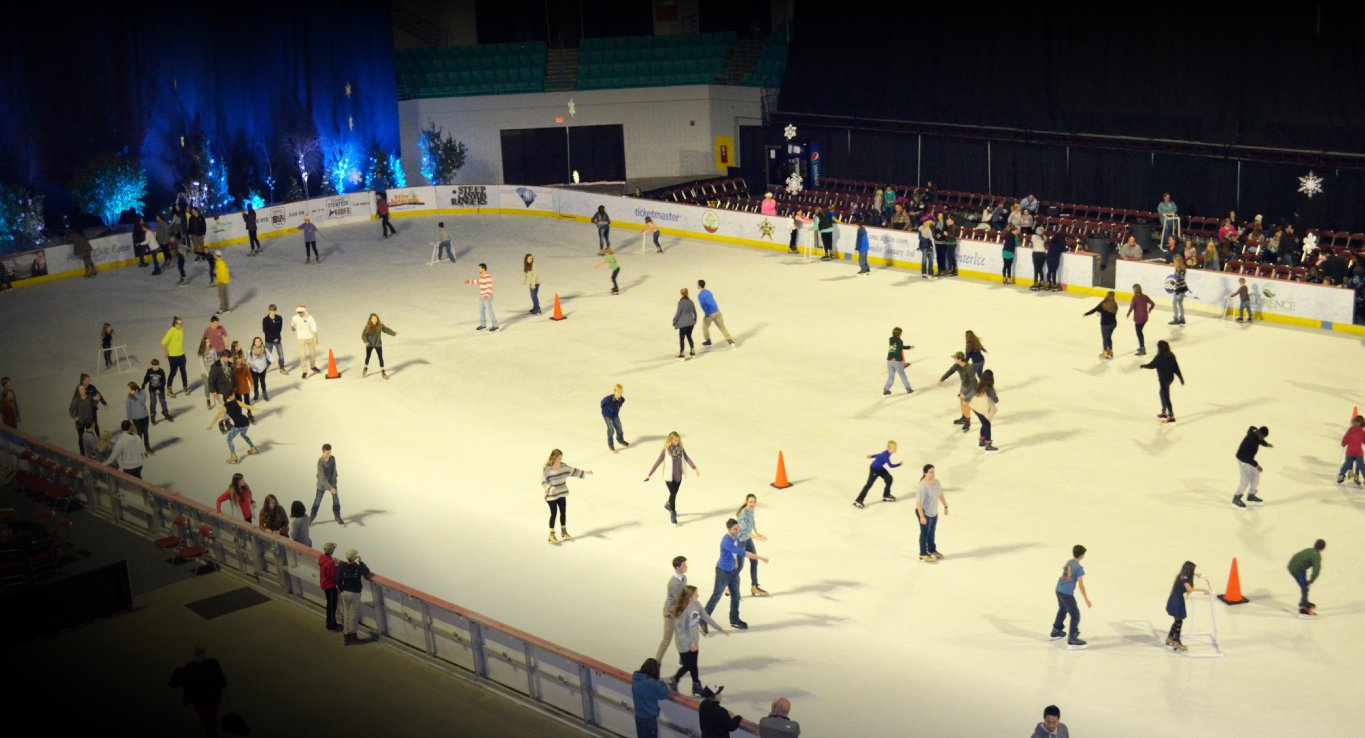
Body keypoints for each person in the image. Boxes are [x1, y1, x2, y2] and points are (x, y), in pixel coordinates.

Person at [703, 518, 768, 629]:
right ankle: (703, 620)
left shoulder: (735, 537)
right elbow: (743, 552)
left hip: (733, 573)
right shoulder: (726, 541)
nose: (737, 531)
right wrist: (760, 558)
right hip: (722, 572)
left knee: (736, 596)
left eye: (738, 528)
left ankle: (734, 619)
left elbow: (738, 547)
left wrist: (736, 562)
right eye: (735, 529)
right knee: (716, 596)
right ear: (728, 529)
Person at [669, 586, 727, 696]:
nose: (698, 595)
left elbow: (706, 617)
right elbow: (679, 632)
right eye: (696, 594)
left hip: (694, 641)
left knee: (692, 665)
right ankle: (684, 682)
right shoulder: (682, 611)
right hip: (684, 644)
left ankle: (691, 685)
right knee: (689, 666)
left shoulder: (696, 605)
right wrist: (689, 643)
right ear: (690, 597)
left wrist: (719, 628)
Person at [168, 645, 227, 738]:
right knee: (211, 719)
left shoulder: (191, 666)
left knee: (208, 720)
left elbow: (174, 683)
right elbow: (223, 682)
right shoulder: (211, 663)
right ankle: (212, 732)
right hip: (212, 698)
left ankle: (211, 732)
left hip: (202, 700)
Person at [646, 432, 698, 525]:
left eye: (678, 440)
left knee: (673, 494)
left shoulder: (681, 450)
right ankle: (673, 512)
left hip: (678, 477)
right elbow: (657, 462)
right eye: (675, 440)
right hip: (668, 477)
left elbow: (687, 458)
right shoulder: (665, 451)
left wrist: (694, 468)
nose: (676, 442)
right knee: (673, 494)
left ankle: (668, 505)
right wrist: (649, 474)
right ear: (670, 440)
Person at [542, 449, 591, 544]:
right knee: (554, 513)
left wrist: (584, 472)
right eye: (559, 458)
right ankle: (551, 534)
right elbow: (543, 481)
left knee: (563, 512)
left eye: (561, 457)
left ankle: (564, 531)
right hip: (551, 495)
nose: (561, 459)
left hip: (561, 493)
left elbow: (572, 471)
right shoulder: (547, 468)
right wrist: (550, 488)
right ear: (554, 457)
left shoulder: (563, 466)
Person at [1050, 544, 1090, 649]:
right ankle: (1072, 638)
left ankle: (1056, 630)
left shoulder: (1069, 562)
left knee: (1062, 609)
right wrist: (1086, 599)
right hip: (1067, 593)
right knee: (1075, 615)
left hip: (1058, 589)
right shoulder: (1079, 568)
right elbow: (1081, 585)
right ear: (1081, 556)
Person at [1164, 561, 1209, 652]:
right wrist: (1203, 590)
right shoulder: (1184, 579)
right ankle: (1176, 641)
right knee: (1179, 621)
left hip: (1174, 598)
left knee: (1177, 620)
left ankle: (1170, 638)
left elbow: (1186, 577)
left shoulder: (1182, 575)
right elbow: (1190, 590)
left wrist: (1196, 574)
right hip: (1177, 601)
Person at [1140, 340, 1184, 424]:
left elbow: (1151, 365)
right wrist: (1181, 378)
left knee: (1166, 396)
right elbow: (1176, 368)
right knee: (1162, 393)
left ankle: (1171, 416)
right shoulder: (1171, 356)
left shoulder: (1159, 357)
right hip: (1170, 379)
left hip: (1164, 380)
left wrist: (1143, 365)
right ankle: (1164, 412)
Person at [337, 548, 374, 645]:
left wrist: (341, 589)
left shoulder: (342, 567)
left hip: (344, 592)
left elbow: (338, 579)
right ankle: (353, 636)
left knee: (346, 614)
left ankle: (346, 636)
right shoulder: (358, 567)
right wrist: (361, 561)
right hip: (355, 593)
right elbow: (366, 571)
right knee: (353, 614)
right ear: (355, 557)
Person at [655, 556, 689, 662]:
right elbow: (680, 600)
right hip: (670, 614)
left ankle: (683, 659)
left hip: (678, 611)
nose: (686, 566)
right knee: (666, 641)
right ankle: (656, 665)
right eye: (684, 565)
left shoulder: (683, 578)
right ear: (678, 568)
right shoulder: (674, 583)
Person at [209, 396, 259, 464]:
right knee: (243, 434)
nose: (234, 396)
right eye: (232, 395)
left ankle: (233, 456)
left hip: (239, 425)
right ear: (228, 397)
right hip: (246, 422)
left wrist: (211, 425)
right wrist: (259, 409)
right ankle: (253, 448)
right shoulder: (237, 402)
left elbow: (217, 416)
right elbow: (247, 406)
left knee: (229, 439)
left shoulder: (225, 406)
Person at [735, 494, 769, 596]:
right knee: (739, 566)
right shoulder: (744, 513)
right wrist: (757, 537)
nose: (752, 504)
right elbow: (744, 531)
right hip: (741, 541)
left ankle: (754, 586)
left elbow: (752, 522)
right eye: (750, 502)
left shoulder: (750, 511)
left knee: (754, 561)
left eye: (754, 502)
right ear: (746, 502)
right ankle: (729, 586)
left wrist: (757, 532)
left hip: (748, 540)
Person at [1232, 425, 1272, 508]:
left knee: (1255, 475)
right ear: (1260, 434)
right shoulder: (1253, 441)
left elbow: (1253, 429)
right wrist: (1257, 465)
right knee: (1245, 479)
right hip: (1243, 459)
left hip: (1249, 460)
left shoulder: (1255, 432)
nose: (1262, 438)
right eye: (1262, 436)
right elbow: (1247, 457)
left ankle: (1251, 494)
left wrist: (1266, 444)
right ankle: (1236, 498)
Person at [938, 352, 979, 434]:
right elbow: (950, 371)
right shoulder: (957, 365)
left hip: (972, 387)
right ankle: (964, 417)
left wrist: (966, 393)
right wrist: (942, 379)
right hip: (964, 386)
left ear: (960, 359)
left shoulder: (969, 368)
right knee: (961, 402)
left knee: (965, 403)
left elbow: (974, 382)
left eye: (955, 358)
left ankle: (968, 421)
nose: (954, 360)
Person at [916, 464, 949, 561]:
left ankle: (932, 550)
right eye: (930, 472)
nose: (933, 474)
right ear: (925, 473)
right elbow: (918, 503)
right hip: (925, 513)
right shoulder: (922, 486)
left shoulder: (936, 482)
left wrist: (945, 506)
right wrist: (922, 517)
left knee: (931, 533)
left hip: (934, 513)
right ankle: (922, 553)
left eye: (933, 471)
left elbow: (940, 494)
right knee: (925, 533)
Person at [632, 658, 671, 738]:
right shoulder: (650, 683)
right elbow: (664, 694)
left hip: (638, 716)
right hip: (648, 719)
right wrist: (662, 683)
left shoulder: (636, 678)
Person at [854, 440, 901, 508]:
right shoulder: (886, 456)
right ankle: (858, 500)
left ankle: (886, 495)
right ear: (889, 448)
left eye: (895, 448)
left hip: (879, 468)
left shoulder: (886, 453)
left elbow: (879, 455)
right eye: (894, 448)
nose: (895, 449)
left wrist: (872, 456)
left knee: (889, 478)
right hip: (874, 469)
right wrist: (899, 464)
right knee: (869, 484)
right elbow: (891, 466)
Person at [1288, 539, 1326, 616]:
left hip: (1296, 566)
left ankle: (1304, 602)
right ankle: (1303, 608)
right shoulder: (1316, 557)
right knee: (1305, 587)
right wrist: (1311, 581)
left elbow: (1299, 557)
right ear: (1323, 548)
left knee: (1305, 585)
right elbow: (1316, 571)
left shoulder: (1309, 550)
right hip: (1296, 570)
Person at [311, 443, 344, 526]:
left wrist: (333, 485)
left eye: (330, 452)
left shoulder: (332, 459)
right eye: (327, 453)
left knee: (336, 501)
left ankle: (337, 516)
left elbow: (334, 472)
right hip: (322, 485)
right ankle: (311, 518)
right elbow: (322, 478)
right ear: (323, 452)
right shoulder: (320, 462)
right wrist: (330, 487)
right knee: (317, 502)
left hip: (332, 483)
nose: (329, 454)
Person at [695, 280, 736, 348]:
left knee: (704, 327)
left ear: (699, 285)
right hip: (717, 311)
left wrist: (707, 314)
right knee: (722, 327)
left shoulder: (700, 295)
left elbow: (704, 306)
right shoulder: (708, 292)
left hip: (710, 314)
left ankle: (708, 341)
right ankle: (730, 340)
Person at [1084, 291, 1119, 360]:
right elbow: (1113, 312)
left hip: (1105, 324)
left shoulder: (1103, 304)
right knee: (1108, 337)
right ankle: (1110, 351)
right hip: (1113, 324)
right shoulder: (1115, 304)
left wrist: (1086, 314)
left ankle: (1105, 352)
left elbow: (1094, 310)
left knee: (1105, 338)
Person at [969, 370, 999, 452]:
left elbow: (971, 394)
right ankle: (988, 444)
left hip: (975, 408)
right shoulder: (989, 388)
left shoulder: (979, 385)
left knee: (984, 423)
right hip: (982, 409)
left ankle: (982, 440)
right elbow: (996, 400)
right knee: (987, 424)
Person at [361, 313, 397, 379]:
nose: (375, 320)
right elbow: (363, 335)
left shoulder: (380, 325)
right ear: (370, 319)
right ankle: (365, 367)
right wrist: (365, 341)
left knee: (380, 358)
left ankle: (383, 371)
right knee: (368, 357)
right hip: (369, 344)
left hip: (378, 344)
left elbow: (386, 330)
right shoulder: (368, 326)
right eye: (373, 319)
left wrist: (393, 333)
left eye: (376, 319)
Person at [464, 263, 499, 332]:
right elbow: (478, 282)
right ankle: (483, 325)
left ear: (483, 268)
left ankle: (495, 325)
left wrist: (486, 295)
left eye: (479, 268)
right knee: (481, 311)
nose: (478, 269)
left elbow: (489, 286)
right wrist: (469, 281)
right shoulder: (481, 276)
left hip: (487, 297)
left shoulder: (487, 276)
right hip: (481, 296)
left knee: (490, 311)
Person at [883, 327, 914, 396]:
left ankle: (886, 389)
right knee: (903, 375)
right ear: (899, 334)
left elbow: (894, 348)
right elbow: (897, 349)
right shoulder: (899, 341)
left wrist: (909, 347)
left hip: (889, 360)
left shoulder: (891, 340)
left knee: (891, 376)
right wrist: (894, 357)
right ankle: (908, 388)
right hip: (897, 361)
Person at [1126, 284, 1155, 356]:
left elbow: (1132, 307)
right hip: (1145, 318)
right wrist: (1150, 309)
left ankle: (1142, 349)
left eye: (1133, 289)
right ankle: (1141, 347)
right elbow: (1153, 304)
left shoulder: (1135, 298)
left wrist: (1128, 313)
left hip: (1139, 318)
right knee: (1140, 331)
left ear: (1135, 290)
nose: (1133, 291)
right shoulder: (1145, 296)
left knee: (1139, 333)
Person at [125, 382, 153, 454]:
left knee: (145, 432)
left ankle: (147, 447)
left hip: (144, 417)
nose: (128, 390)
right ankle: (140, 450)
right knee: (139, 434)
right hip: (136, 419)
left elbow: (142, 401)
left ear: (133, 388)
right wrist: (129, 419)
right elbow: (128, 408)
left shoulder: (142, 392)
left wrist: (135, 394)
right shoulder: (129, 397)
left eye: (129, 388)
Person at [319, 542, 341, 630]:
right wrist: (337, 567)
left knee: (330, 604)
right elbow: (333, 576)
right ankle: (331, 624)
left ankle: (331, 623)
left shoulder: (322, 557)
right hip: (330, 586)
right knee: (332, 606)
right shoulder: (330, 563)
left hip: (325, 584)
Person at [601, 384, 629, 453]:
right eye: (618, 392)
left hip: (614, 415)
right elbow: (602, 403)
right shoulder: (608, 399)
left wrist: (615, 410)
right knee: (611, 429)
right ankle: (610, 444)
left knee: (619, 426)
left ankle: (620, 440)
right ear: (614, 392)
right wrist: (605, 410)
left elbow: (617, 407)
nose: (619, 394)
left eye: (621, 392)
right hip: (606, 415)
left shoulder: (622, 399)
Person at [142, 358, 172, 422]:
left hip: (160, 389)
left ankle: (165, 413)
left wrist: (160, 389)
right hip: (152, 390)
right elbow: (146, 378)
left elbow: (164, 382)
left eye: (158, 365)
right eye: (155, 366)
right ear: (152, 365)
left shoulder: (161, 371)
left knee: (163, 401)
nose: (157, 367)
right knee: (153, 402)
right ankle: (152, 414)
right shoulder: (149, 371)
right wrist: (144, 383)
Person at [1338, 415, 1365, 485]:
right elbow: (1346, 437)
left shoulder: (1362, 432)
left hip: (1358, 453)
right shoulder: (1351, 430)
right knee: (1347, 464)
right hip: (1350, 452)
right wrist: (1344, 442)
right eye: (1356, 421)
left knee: (1361, 465)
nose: (1357, 423)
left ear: (1361, 423)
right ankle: (1341, 475)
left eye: (1358, 421)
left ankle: (1361, 477)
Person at [262, 305, 287, 374]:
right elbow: (265, 331)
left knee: (281, 354)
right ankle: (266, 366)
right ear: (269, 311)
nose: (273, 312)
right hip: (269, 341)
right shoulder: (265, 320)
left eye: (274, 310)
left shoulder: (279, 318)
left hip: (277, 340)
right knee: (268, 354)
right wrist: (273, 338)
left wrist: (277, 338)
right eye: (272, 311)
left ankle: (282, 367)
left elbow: (279, 329)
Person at [672, 288, 697, 360]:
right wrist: (695, 320)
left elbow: (678, 313)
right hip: (691, 323)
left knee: (682, 338)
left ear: (681, 294)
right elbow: (695, 312)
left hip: (683, 324)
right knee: (689, 336)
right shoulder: (691, 302)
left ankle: (682, 354)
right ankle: (692, 351)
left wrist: (674, 321)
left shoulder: (680, 303)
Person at [1169, 255, 1189, 325]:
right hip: (1183, 289)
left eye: (1174, 261)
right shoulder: (1183, 268)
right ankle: (1182, 318)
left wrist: (1176, 291)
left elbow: (1178, 281)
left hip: (1179, 290)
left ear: (1177, 262)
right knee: (1180, 304)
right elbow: (1181, 280)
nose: (1173, 263)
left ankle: (1176, 319)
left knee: (1174, 303)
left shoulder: (1178, 270)